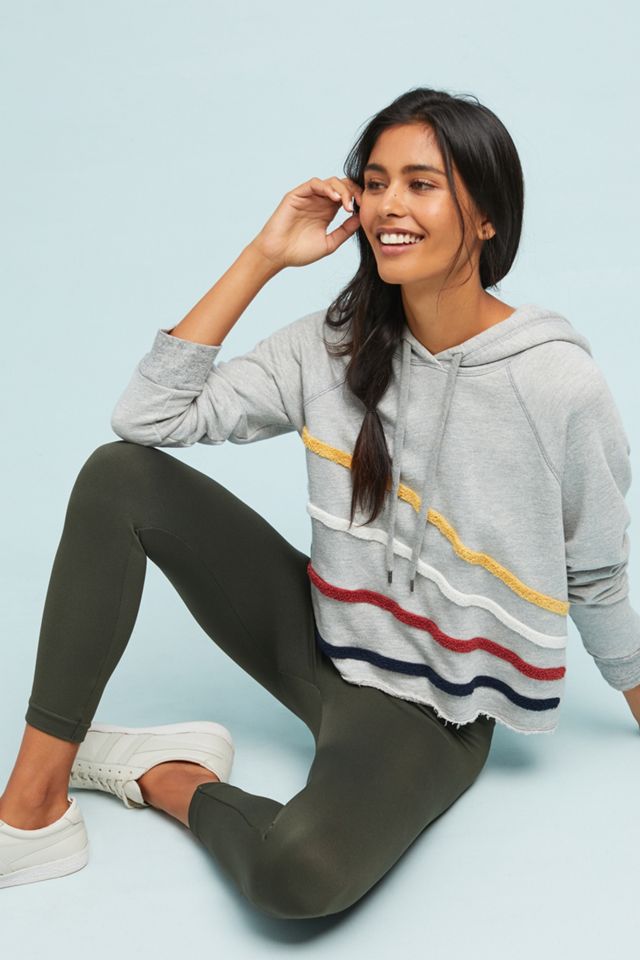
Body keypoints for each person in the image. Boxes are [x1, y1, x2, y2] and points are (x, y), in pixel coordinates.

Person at [2, 87, 639, 912]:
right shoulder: (334, 344)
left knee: (296, 879)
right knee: (117, 476)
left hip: (428, 713)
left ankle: (165, 773)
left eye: (421, 183)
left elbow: (596, 571)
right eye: (374, 183)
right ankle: (31, 812)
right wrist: (264, 255)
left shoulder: (556, 384)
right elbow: (147, 419)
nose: (387, 205)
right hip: (316, 632)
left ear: (487, 218)